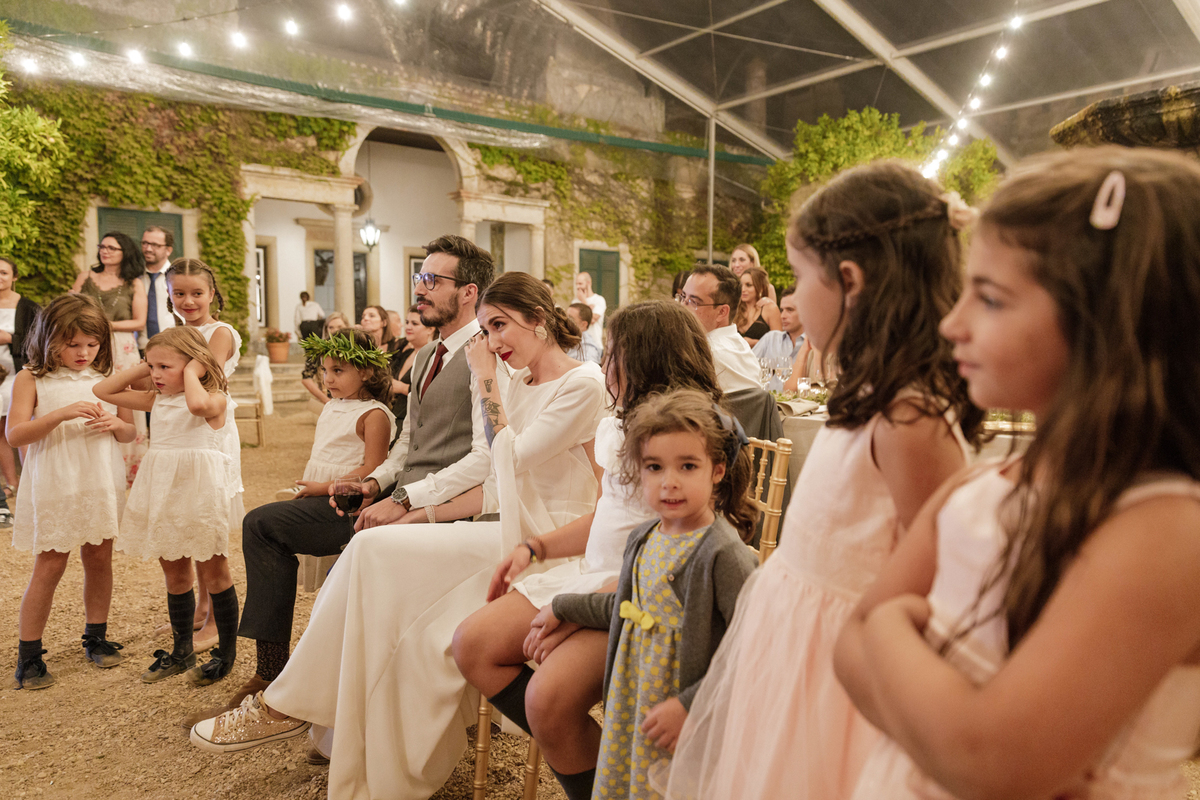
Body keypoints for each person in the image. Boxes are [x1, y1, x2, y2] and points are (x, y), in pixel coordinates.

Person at [836, 148, 1200, 800]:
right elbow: (847, 651)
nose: (953, 323)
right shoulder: (987, 484)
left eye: (992, 299)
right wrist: (945, 730)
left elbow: (988, 763)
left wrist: (891, 628)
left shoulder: (1164, 529)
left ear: (1110, 323)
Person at [190, 273, 609, 800]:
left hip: (553, 546)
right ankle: (303, 705)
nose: (495, 343)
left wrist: (485, 381)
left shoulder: (582, 384)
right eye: (487, 331)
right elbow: (490, 473)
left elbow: (512, 457)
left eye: (500, 326)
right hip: (509, 530)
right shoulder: (521, 383)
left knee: (386, 563)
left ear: (539, 320)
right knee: (370, 544)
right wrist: (417, 510)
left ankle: (289, 704)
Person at [663, 161, 983, 800]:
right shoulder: (871, 390)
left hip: (842, 669)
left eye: (800, 276)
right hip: (792, 637)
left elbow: (947, 573)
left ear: (850, 281)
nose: (793, 300)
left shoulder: (910, 415)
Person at [178, 234, 496, 733]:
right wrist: (371, 483)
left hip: (440, 512)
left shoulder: (486, 357)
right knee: (263, 525)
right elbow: (407, 447)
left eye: (434, 280)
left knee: (354, 554)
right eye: (420, 277)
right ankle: (269, 674)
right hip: (393, 499)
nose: (421, 288)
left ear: (469, 292)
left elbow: (486, 459)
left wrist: (405, 499)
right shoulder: (427, 354)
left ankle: (302, 700)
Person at [454, 299, 723, 800]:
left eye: (614, 354)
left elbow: (682, 555)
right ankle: (603, 774)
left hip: (648, 594)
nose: (602, 365)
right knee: (473, 645)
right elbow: (607, 513)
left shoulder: (688, 443)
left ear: (647, 359)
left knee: (548, 698)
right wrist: (536, 549)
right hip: (596, 574)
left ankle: (605, 777)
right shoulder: (617, 424)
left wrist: (580, 610)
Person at [535, 390, 758, 799]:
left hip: (684, 713)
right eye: (655, 467)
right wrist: (562, 607)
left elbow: (751, 645)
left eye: (688, 466)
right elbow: (626, 605)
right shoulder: (644, 537)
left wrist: (690, 705)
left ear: (718, 470)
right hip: (632, 697)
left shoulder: (721, 554)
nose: (669, 481)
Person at [96, 327, 240, 686]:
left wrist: (193, 371)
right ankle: (181, 650)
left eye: (165, 367)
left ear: (198, 366)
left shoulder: (218, 398)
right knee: (174, 572)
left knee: (214, 571)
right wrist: (149, 366)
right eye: (152, 367)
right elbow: (103, 390)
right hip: (162, 488)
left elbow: (197, 405)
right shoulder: (155, 399)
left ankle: (226, 654)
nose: (156, 375)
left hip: (199, 492)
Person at [9, 295, 135, 689]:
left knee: (99, 558)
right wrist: (60, 414)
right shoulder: (31, 377)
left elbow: (131, 431)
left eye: (92, 344)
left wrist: (114, 425)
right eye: (73, 344)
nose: (83, 353)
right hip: (56, 481)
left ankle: (95, 636)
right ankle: (29, 655)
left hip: (99, 478)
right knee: (49, 564)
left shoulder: (110, 375)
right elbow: (15, 434)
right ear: (49, 339)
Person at [165, 258, 245, 652]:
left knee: (208, 526)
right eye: (179, 293)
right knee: (189, 522)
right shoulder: (173, 333)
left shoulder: (221, 332)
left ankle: (217, 620)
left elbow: (198, 369)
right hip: (179, 436)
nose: (189, 300)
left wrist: (162, 368)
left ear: (212, 294)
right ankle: (198, 610)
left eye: (197, 293)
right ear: (168, 295)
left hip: (210, 435)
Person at [73, 231, 148, 486]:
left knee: (124, 397)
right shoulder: (86, 277)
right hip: (85, 342)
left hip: (121, 345)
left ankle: (129, 468)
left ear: (124, 252)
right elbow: (69, 309)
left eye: (112, 248)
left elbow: (139, 320)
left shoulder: (134, 282)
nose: (105, 251)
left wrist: (107, 324)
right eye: (102, 246)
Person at [289, 329, 394, 496]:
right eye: (325, 370)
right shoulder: (332, 406)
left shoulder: (373, 415)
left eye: (337, 370)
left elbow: (373, 469)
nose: (327, 379)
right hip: (317, 487)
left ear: (365, 372)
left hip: (345, 495)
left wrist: (323, 488)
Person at [677, 265, 760, 394]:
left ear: (722, 312)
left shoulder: (702, 355)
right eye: (682, 297)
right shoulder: (744, 350)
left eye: (693, 302)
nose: (682, 307)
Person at [0, 256, 40, 514]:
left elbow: (38, 338)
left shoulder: (28, 307)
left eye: (3, 273)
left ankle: (31, 480)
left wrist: (8, 337)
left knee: (18, 427)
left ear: (14, 277)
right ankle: (10, 484)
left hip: (17, 375)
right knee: (0, 432)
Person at [753, 284, 810, 392]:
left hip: (799, 406)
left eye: (790, 310)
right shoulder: (771, 338)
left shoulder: (812, 344)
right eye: (782, 310)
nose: (782, 315)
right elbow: (746, 368)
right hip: (768, 404)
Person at [388, 304, 434, 428]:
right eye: (407, 322)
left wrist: (403, 388)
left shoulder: (433, 357)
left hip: (413, 421)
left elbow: (433, 395)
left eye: (415, 324)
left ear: (430, 329)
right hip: (393, 416)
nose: (408, 327)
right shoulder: (405, 353)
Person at [140, 225, 178, 349]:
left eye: (155, 245)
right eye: (145, 243)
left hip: (172, 345)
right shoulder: (134, 276)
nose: (148, 249)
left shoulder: (179, 276)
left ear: (168, 250)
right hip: (139, 346)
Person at [300, 312, 349, 405]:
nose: (335, 330)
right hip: (332, 402)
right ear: (326, 330)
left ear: (347, 327)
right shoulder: (319, 351)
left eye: (340, 327)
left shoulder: (355, 349)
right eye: (331, 327)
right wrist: (326, 400)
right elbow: (306, 379)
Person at [735, 267, 781, 346]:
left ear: (761, 288)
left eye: (748, 285)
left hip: (762, 358)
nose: (743, 289)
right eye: (741, 285)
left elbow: (779, 344)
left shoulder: (770, 308)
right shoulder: (735, 308)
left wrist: (755, 343)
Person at [575, 271, 606, 354]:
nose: (578, 287)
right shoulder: (574, 302)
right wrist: (589, 308)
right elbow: (574, 322)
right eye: (576, 284)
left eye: (580, 283)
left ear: (588, 283)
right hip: (578, 347)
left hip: (595, 347)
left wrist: (584, 302)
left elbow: (591, 320)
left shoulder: (599, 300)